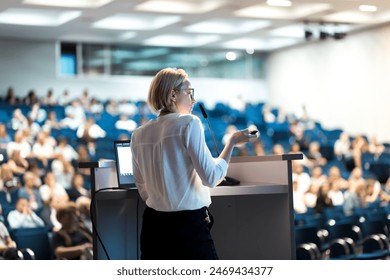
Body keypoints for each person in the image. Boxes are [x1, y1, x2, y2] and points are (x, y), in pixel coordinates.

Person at [130, 68, 257, 260]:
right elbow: (212, 177)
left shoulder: (138, 134)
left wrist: (164, 201)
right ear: (173, 94)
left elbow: (142, 186)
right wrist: (231, 143)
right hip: (186, 227)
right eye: (189, 93)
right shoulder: (189, 123)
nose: (194, 100)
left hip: (153, 226)